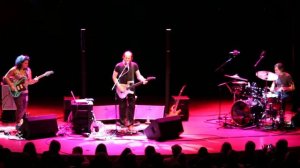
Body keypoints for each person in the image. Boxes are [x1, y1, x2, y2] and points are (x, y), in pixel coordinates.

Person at [112, 50, 148, 131]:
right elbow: (114, 77)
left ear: (131, 58)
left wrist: (143, 79)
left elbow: (139, 75)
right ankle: (122, 123)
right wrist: (119, 86)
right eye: (126, 58)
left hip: (131, 89)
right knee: (122, 106)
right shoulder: (118, 65)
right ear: (123, 57)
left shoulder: (134, 65)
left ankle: (130, 123)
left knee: (132, 106)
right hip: (121, 88)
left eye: (129, 58)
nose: (127, 59)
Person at [2, 55, 38, 130]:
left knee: (24, 108)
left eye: (27, 63)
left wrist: (34, 81)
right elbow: (5, 77)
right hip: (17, 92)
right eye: (25, 63)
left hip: (26, 92)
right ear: (20, 63)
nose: (27, 64)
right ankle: (18, 125)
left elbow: (29, 82)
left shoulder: (28, 70)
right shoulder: (14, 69)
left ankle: (20, 124)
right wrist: (11, 85)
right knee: (20, 108)